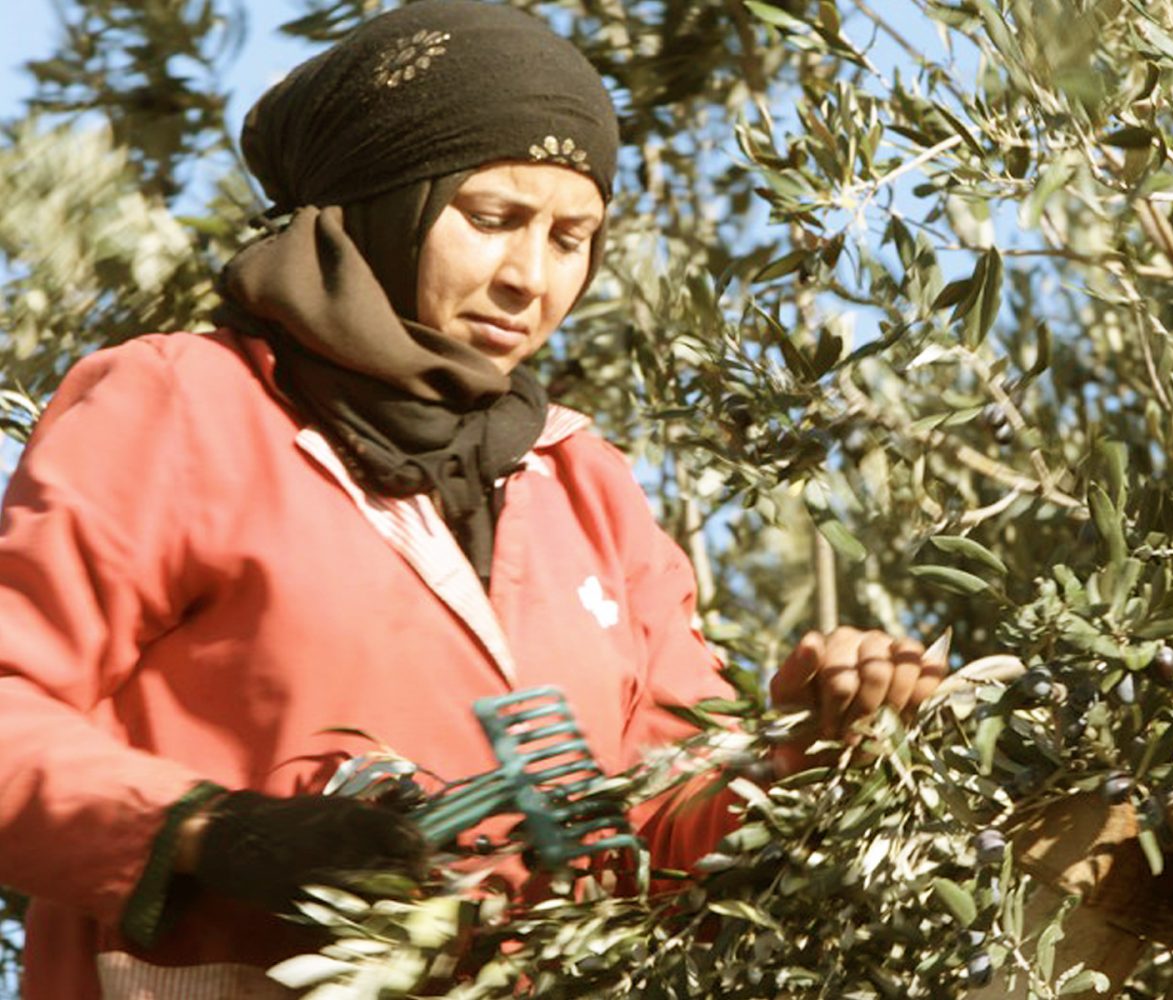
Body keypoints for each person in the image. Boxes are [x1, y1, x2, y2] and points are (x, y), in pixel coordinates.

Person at [0, 3, 945, 997]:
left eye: (571, 237)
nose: (528, 278)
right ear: (383, 203)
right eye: (493, 220)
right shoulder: (187, 405)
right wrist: (207, 833)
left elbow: (663, 827)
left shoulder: (585, 482)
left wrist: (807, 744)